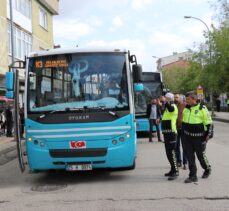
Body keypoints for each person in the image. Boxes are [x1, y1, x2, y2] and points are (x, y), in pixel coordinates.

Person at [182, 91, 213, 183]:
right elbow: (184, 123)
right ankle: (192, 175)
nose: (186, 101)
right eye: (185, 99)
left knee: (201, 156)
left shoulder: (202, 108)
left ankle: (207, 169)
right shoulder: (186, 109)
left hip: (199, 138)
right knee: (190, 157)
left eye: (187, 99)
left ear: (194, 99)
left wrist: (208, 136)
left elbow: (209, 123)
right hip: (188, 138)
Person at [161, 92, 179, 180]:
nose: (163, 99)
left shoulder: (173, 106)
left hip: (171, 133)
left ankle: (176, 171)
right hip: (166, 133)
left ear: (168, 99)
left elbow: (171, 109)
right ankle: (172, 169)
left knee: (172, 153)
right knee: (168, 153)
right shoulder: (167, 106)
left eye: (165, 98)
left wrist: (166, 102)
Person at [174, 94, 188, 170]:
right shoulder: (173, 105)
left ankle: (185, 162)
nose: (175, 98)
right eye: (174, 97)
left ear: (181, 98)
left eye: (176, 97)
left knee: (184, 146)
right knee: (176, 146)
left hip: (183, 128)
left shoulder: (185, 105)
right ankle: (179, 161)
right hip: (175, 128)